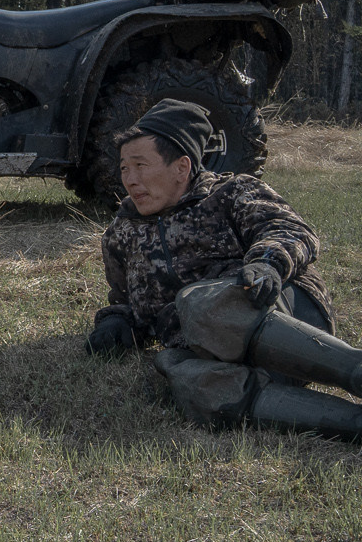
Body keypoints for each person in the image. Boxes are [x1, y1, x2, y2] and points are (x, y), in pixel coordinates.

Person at [87, 98, 362, 438]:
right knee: (179, 371)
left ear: (181, 167)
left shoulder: (231, 192)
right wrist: (117, 322)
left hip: (285, 320)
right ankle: (353, 426)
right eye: (125, 167)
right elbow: (129, 300)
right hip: (216, 352)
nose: (129, 178)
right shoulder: (121, 233)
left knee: (196, 303)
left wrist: (266, 264)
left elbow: (290, 230)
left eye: (141, 165)